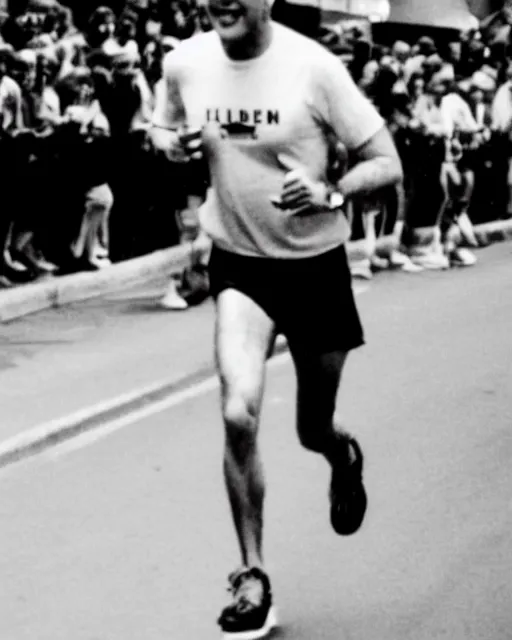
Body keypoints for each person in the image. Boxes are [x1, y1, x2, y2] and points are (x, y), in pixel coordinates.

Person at [151, 0, 402, 637]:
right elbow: (160, 129)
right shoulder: (184, 62)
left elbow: (387, 161)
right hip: (241, 265)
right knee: (238, 410)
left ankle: (341, 455)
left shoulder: (313, 67)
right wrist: (173, 147)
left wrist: (332, 192)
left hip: (315, 267)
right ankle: (253, 576)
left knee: (311, 430)